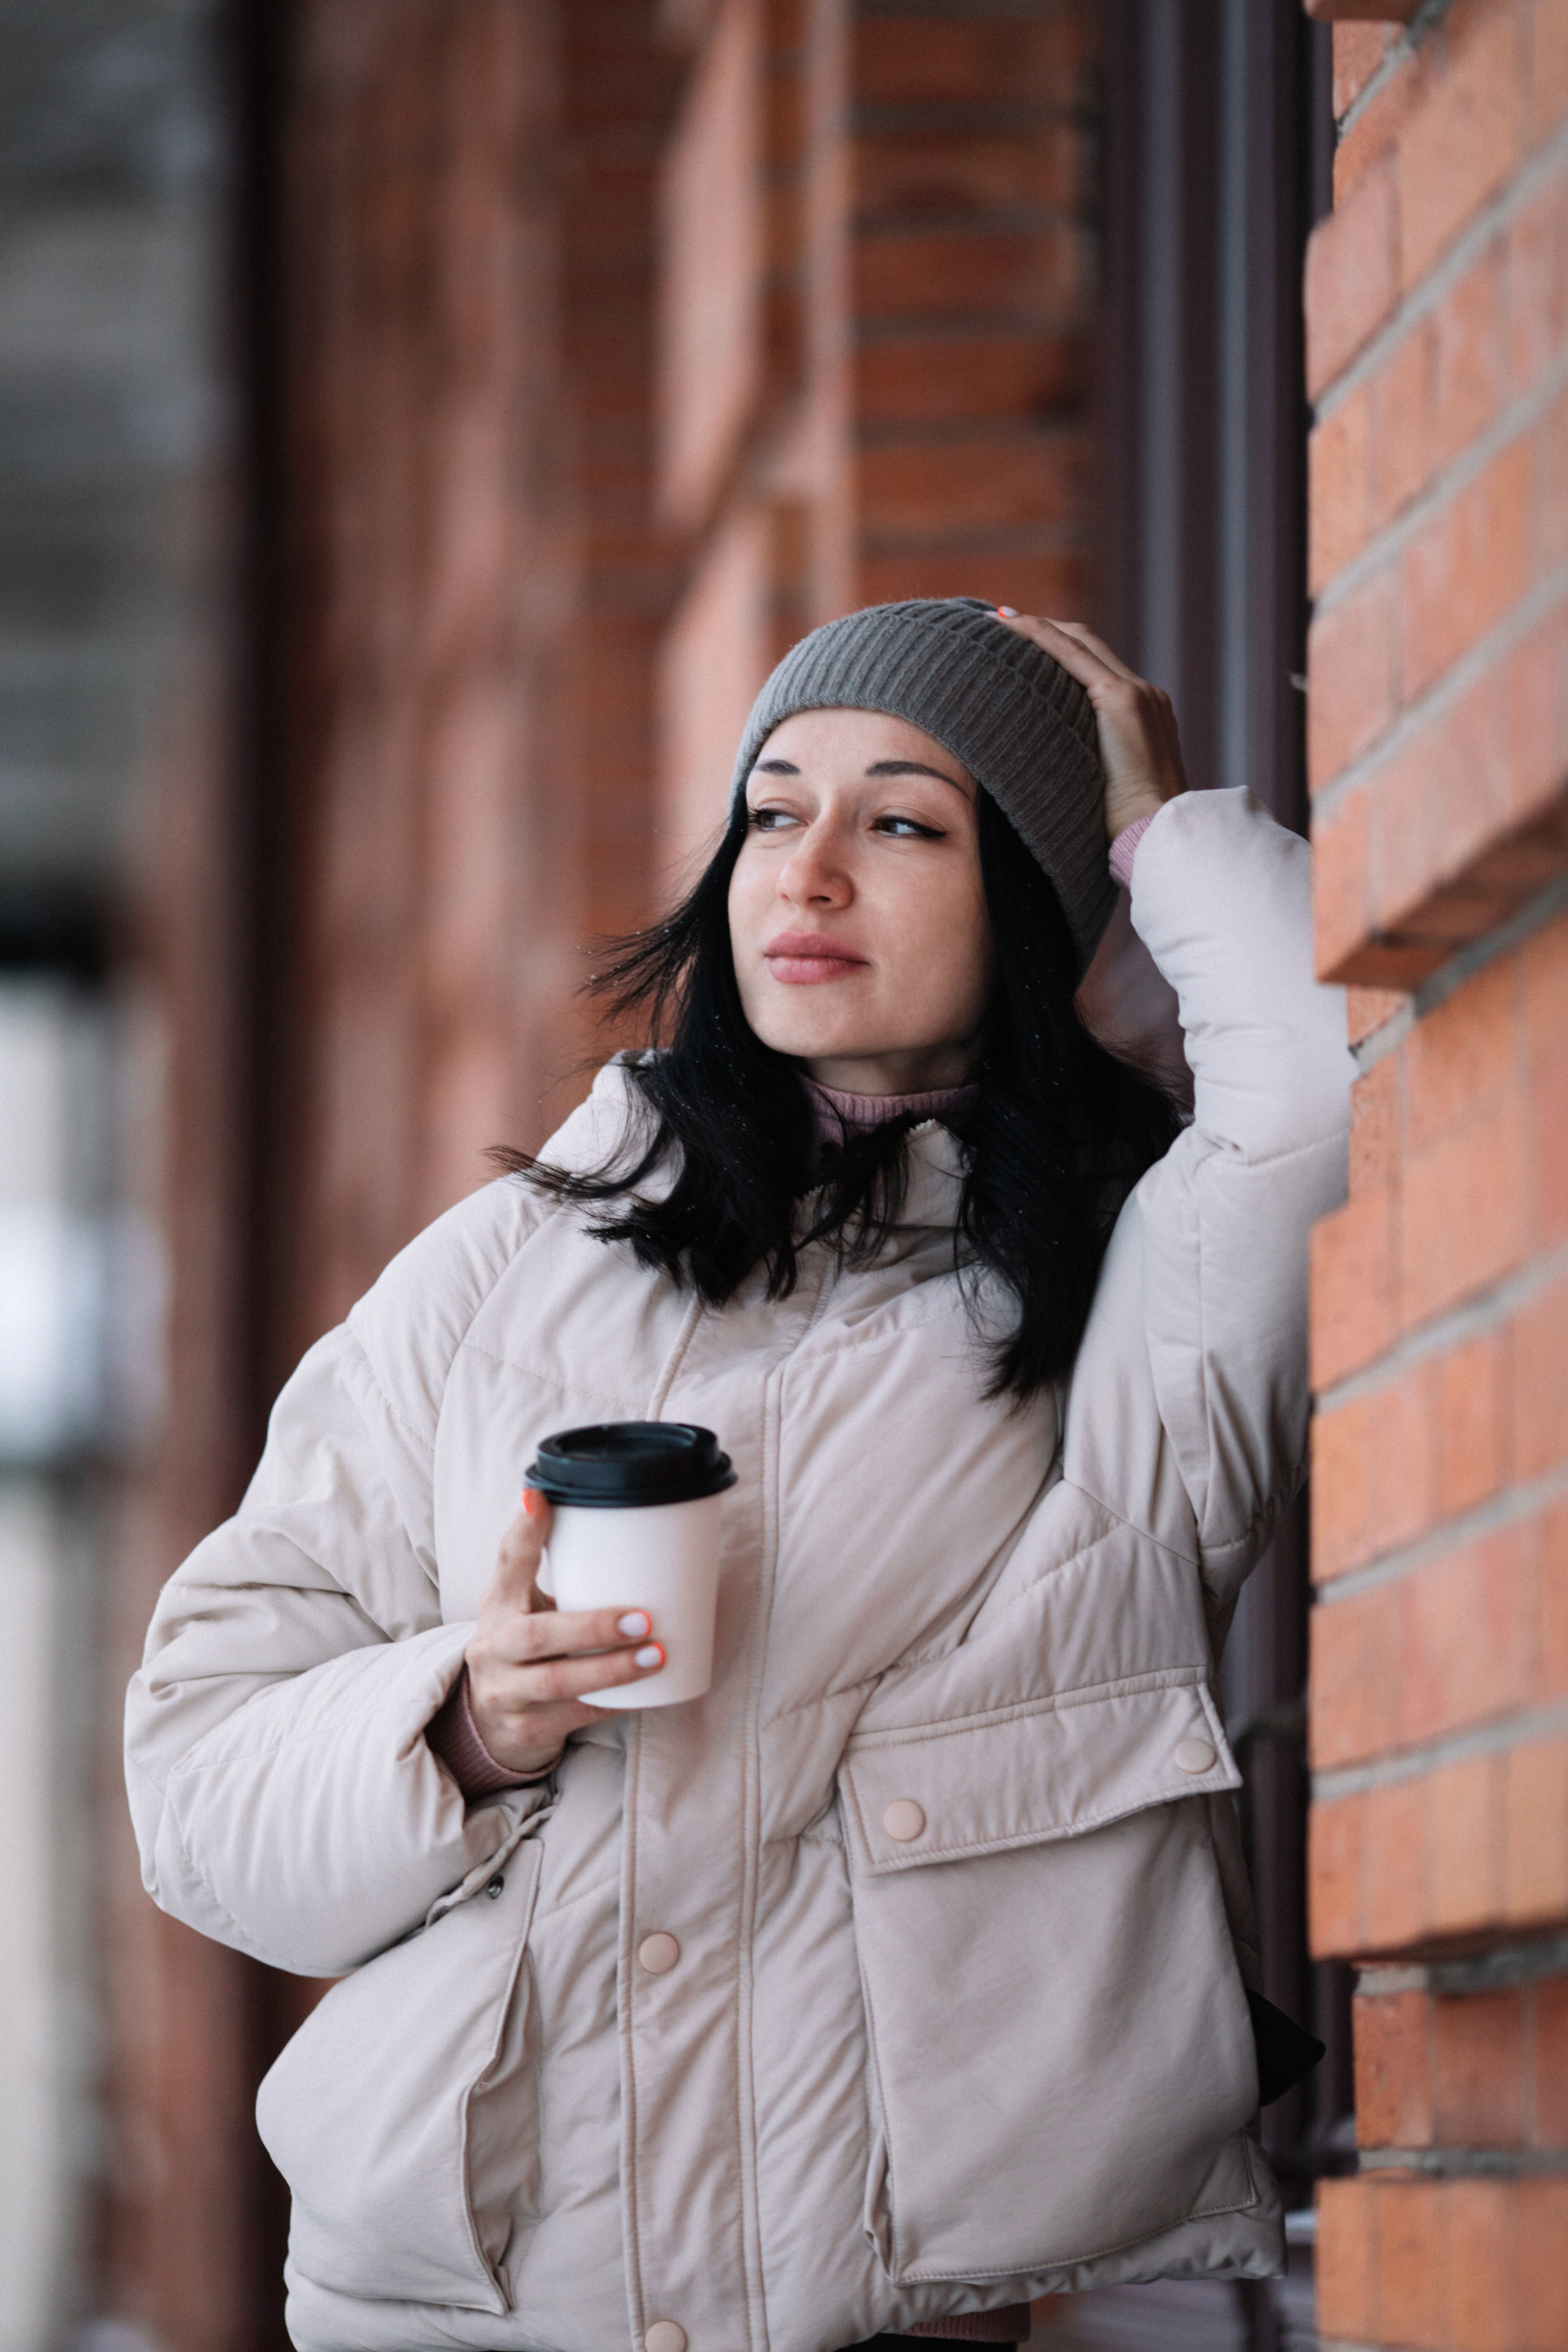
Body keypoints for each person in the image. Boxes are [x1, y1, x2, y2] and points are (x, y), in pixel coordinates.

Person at [126, 599, 1352, 2352]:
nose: (810, 872)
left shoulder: (1122, 1295)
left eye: (903, 824)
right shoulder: (504, 1266)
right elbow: (199, 1776)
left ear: (1029, 899)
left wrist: (1156, 825)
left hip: (871, 2307)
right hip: (456, 2307)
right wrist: (468, 1724)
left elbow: (1320, 1093)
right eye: (774, 813)